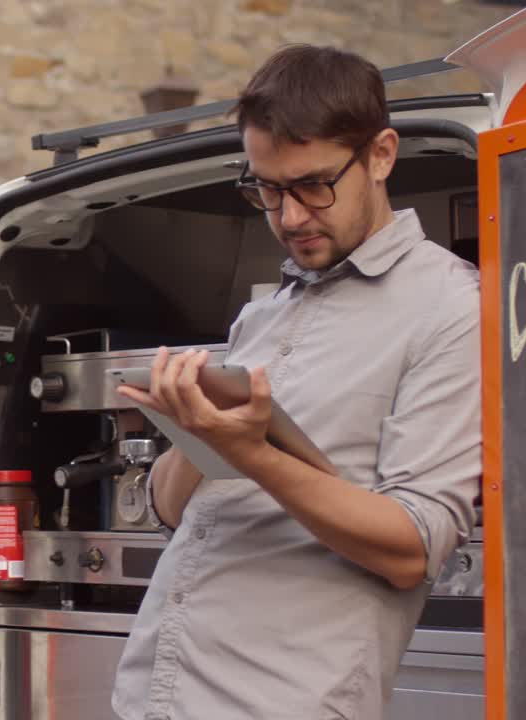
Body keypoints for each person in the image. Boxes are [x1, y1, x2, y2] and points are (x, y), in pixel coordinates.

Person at [111, 44, 482, 720]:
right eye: (268, 190)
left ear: (381, 155)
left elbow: (415, 547)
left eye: (313, 185)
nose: (289, 218)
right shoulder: (263, 314)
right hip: (152, 694)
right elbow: (171, 512)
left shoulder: (451, 307)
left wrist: (253, 454)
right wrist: (193, 432)